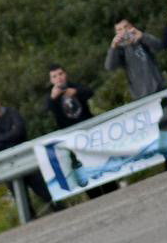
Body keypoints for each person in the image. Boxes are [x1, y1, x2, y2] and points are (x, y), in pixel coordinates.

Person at [0, 92, 54, 218]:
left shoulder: (12, 113)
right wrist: (10, 135)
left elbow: (20, 132)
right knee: (23, 202)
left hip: (26, 160)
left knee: (46, 193)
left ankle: (62, 211)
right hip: (7, 167)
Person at [43, 66, 116, 197]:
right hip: (71, 139)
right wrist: (53, 98)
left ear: (65, 74)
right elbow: (45, 110)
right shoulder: (52, 96)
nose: (59, 78)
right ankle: (94, 195)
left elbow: (89, 92)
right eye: (54, 76)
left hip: (89, 134)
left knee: (99, 161)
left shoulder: (74, 86)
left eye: (60, 74)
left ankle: (112, 189)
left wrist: (76, 92)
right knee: (81, 167)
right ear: (51, 80)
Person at [104, 16, 167, 99]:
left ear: (131, 26)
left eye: (126, 27)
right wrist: (113, 47)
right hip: (141, 96)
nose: (124, 31)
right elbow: (109, 67)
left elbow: (160, 46)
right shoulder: (120, 50)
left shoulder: (142, 38)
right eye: (119, 29)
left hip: (160, 89)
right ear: (116, 33)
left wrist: (143, 36)